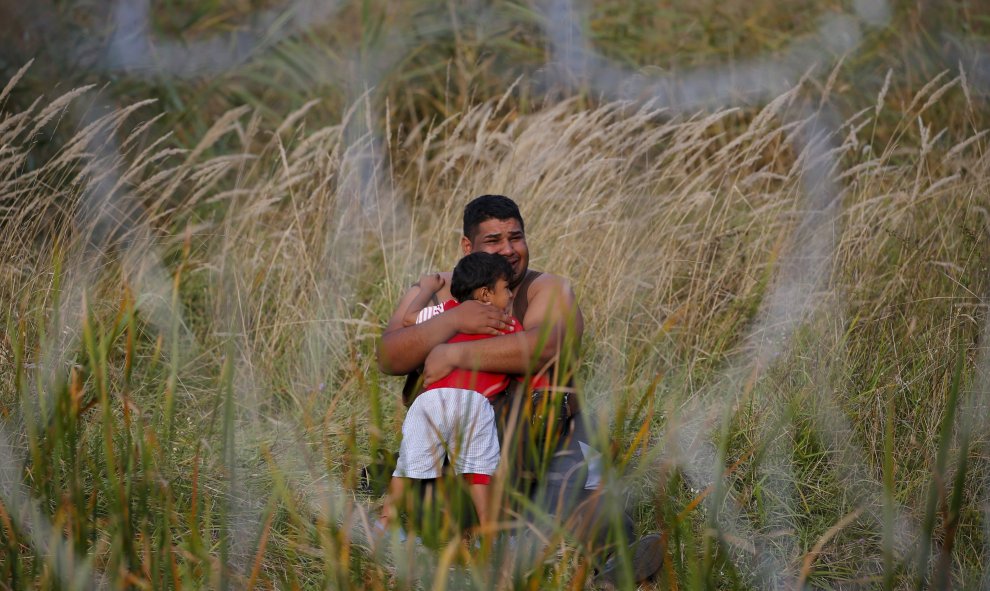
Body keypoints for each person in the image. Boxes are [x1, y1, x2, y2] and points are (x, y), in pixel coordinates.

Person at [378, 195, 663, 583]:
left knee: (572, 479)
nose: (509, 250)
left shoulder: (548, 289)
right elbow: (389, 356)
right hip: (460, 453)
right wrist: (454, 320)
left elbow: (547, 345)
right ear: (467, 247)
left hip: (543, 441)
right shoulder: (440, 291)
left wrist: (455, 356)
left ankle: (619, 565)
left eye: (516, 237)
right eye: (494, 240)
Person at [380, 252, 520, 536]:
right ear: (485, 294)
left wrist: (427, 289)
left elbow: (408, 319)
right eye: (506, 289)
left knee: (407, 468)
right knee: (479, 475)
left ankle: (384, 524)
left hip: (431, 402)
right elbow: (524, 351)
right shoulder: (503, 322)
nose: (511, 296)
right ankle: (489, 534)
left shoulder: (446, 311)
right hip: (474, 404)